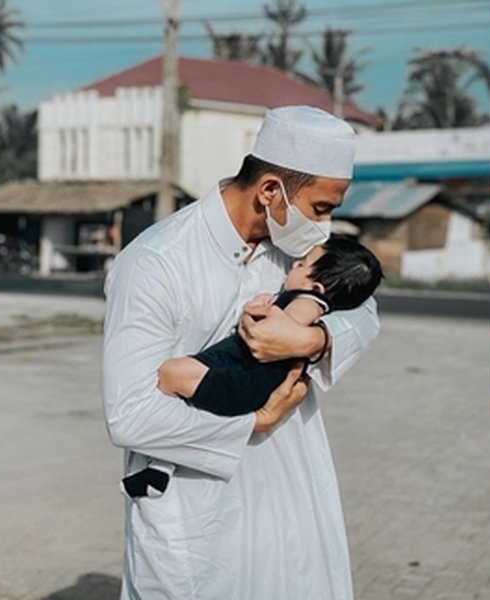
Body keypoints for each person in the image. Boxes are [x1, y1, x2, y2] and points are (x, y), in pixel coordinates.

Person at [101, 106, 380, 599]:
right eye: (320, 208)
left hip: (289, 490)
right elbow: (129, 415)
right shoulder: (156, 264)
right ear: (271, 190)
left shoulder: (297, 251)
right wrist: (256, 422)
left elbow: (365, 306)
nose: (326, 225)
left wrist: (314, 339)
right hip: (196, 501)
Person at [119, 235, 383, 499]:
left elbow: (274, 332)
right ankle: (161, 468)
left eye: (302, 264)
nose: (294, 265)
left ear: (316, 287)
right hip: (240, 371)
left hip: (241, 377)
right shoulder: (307, 299)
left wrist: (252, 310)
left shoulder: (307, 303)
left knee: (170, 375)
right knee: (188, 400)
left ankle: (161, 461)